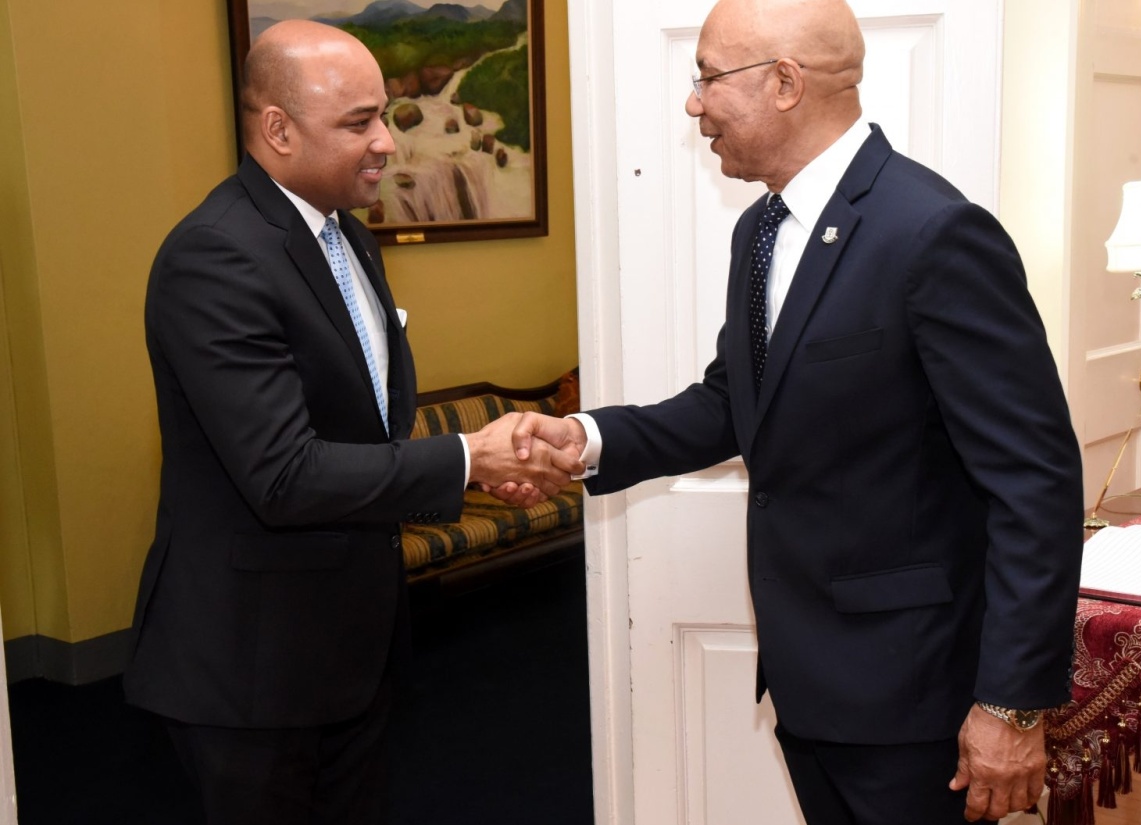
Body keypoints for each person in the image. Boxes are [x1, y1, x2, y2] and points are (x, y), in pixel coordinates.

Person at [504, 0, 1084, 822]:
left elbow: (1036, 484)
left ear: (784, 83)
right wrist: (586, 437)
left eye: (707, 77)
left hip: (916, 700)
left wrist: (1014, 705)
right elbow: (733, 404)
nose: (692, 103)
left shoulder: (934, 234)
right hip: (808, 681)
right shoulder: (763, 232)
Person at [123, 20, 579, 825]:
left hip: (353, 650)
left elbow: (360, 436)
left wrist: (468, 475)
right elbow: (284, 475)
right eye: (358, 122)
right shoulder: (216, 256)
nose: (386, 143)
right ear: (277, 129)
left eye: (382, 116)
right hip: (251, 668)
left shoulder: (350, 239)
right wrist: (466, 457)